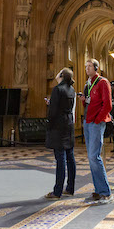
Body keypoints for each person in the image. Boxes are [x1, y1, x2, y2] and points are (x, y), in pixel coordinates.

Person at [79, 58, 112, 205]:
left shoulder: (103, 82)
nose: (87, 68)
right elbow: (89, 102)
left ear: (96, 68)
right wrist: (83, 99)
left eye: (89, 66)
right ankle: (98, 190)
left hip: (96, 122)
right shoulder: (88, 83)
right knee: (91, 158)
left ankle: (106, 193)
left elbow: (108, 104)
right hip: (87, 121)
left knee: (94, 156)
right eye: (86, 66)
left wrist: (98, 119)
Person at [44, 67, 76, 199]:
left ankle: (57, 191)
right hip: (69, 124)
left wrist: (49, 124)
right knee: (70, 157)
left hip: (58, 125)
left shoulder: (58, 89)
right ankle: (70, 188)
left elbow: (53, 112)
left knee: (60, 159)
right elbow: (64, 106)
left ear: (61, 76)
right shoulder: (71, 89)